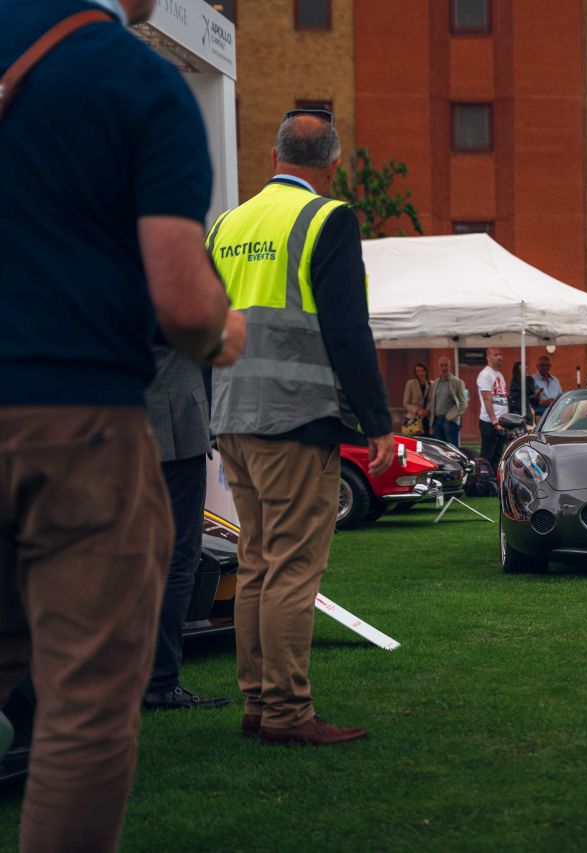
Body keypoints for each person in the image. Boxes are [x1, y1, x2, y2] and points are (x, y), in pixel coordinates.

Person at [0, 1, 245, 845]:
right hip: (72, 422)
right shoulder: (137, 82)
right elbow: (181, 301)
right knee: (85, 704)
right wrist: (223, 325)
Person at [209, 110, 394, 745]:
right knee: (291, 569)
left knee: (257, 563)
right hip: (294, 417)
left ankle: (259, 702)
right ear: (334, 165)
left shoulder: (228, 225)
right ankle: (288, 713)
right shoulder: (327, 218)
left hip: (232, 413)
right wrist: (376, 420)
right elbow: (348, 330)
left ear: (273, 156)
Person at [142, 347, 230, 712]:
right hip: (172, 424)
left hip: (118, 424)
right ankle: (160, 682)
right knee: (177, 559)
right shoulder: (172, 289)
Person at [477, 346, 509, 468]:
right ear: (488, 357)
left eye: (500, 354)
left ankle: (495, 482)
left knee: (498, 456)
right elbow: (486, 399)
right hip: (490, 423)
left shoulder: (499, 374)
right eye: (496, 355)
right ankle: (484, 482)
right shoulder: (485, 374)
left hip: (501, 423)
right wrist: (495, 421)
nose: (499, 357)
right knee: (487, 457)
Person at [426, 356, 467, 448]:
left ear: (450, 367)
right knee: (439, 451)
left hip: (450, 422)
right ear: (438, 368)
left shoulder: (457, 382)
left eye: (446, 365)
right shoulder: (436, 383)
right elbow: (433, 403)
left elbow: (463, 403)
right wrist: (431, 425)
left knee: (452, 451)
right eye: (441, 366)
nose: (444, 368)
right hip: (437, 422)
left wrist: (452, 416)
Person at [403, 362, 429, 432]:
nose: (421, 373)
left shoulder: (431, 384)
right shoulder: (410, 383)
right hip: (413, 419)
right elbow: (405, 403)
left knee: (426, 441)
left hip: (427, 419)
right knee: (413, 441)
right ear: (415, 373)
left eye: (422, 370)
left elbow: (433, 401)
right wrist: (417, 411)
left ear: (426, 371)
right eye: (418, 371)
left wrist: (428, 410)